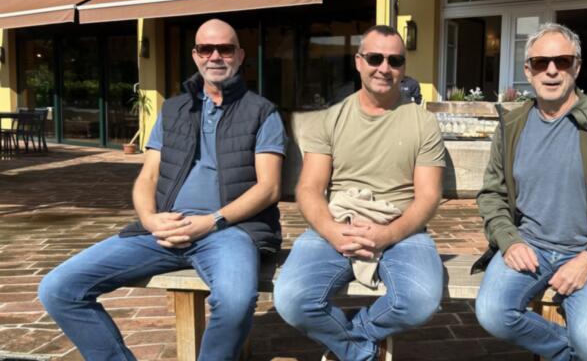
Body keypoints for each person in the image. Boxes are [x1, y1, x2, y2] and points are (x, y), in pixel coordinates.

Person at [38, 19, 287, 361]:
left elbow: (269, 187)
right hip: (163, 229)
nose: (215, 56)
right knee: (58, 288)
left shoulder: (262, 112)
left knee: (235, 301)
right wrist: (150, 219)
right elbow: (148, 177)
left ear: (240, 56)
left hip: (228, 231)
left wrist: (211, 221)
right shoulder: (172, 110)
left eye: (225, 49)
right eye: (206, 49)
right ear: (195, 55)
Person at [273, 25, 446, 361]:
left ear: (403, 67)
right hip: (339, 220)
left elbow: (427, 196)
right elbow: (309, 188)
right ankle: (365, 350)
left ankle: (352, 339)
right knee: (292, 299)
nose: (384, 67)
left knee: (421, 300)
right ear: (358, 61)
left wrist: (388, 233)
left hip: (401, 227)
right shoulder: (330, 119)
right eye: (375, 58)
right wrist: (330, 230)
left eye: (394, 60)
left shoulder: (423, 123)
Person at [473, 22, 587, 360]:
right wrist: (509, 240)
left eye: (562, 61)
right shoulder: (512, 125)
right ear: (528, 70)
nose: (551, 70)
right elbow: (492, 195)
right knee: (493, 313)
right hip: (530, 246)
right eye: (541, 62)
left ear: (576, 67)